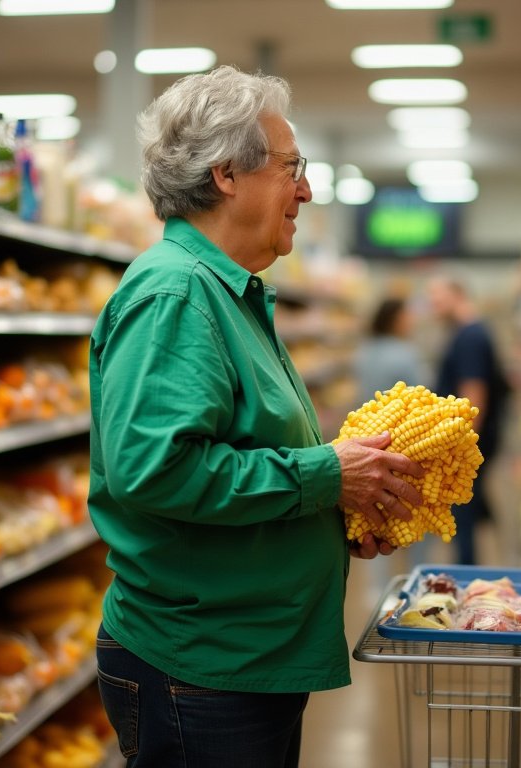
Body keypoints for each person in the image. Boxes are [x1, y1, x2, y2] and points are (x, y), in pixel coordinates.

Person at [88, 65, 424, 768]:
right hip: (198, 668)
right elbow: (156, 471)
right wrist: (327, 476)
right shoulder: (176, 295)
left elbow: (240, 451)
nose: (306, 190)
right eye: (292, 168)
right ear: (226, 175)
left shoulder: (232, 293)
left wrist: (336, 515)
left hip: (238, 654)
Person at [428, 276, 509, 566]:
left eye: (437, 296)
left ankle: (467, 574)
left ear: (457, 293)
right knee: (472, 510)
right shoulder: (470, 332)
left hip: (466, 445)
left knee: (462, 514)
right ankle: (491, 555)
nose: (432, 305)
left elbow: (473, 398)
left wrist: (457, 451)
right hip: (472, 442)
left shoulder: (470, 337)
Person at [353, 296, 428, 405]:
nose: (413, 321)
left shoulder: (365, 349)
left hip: (367, 415)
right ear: (397, 320)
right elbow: (419, 395)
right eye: (408, 316)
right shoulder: (404, 353)